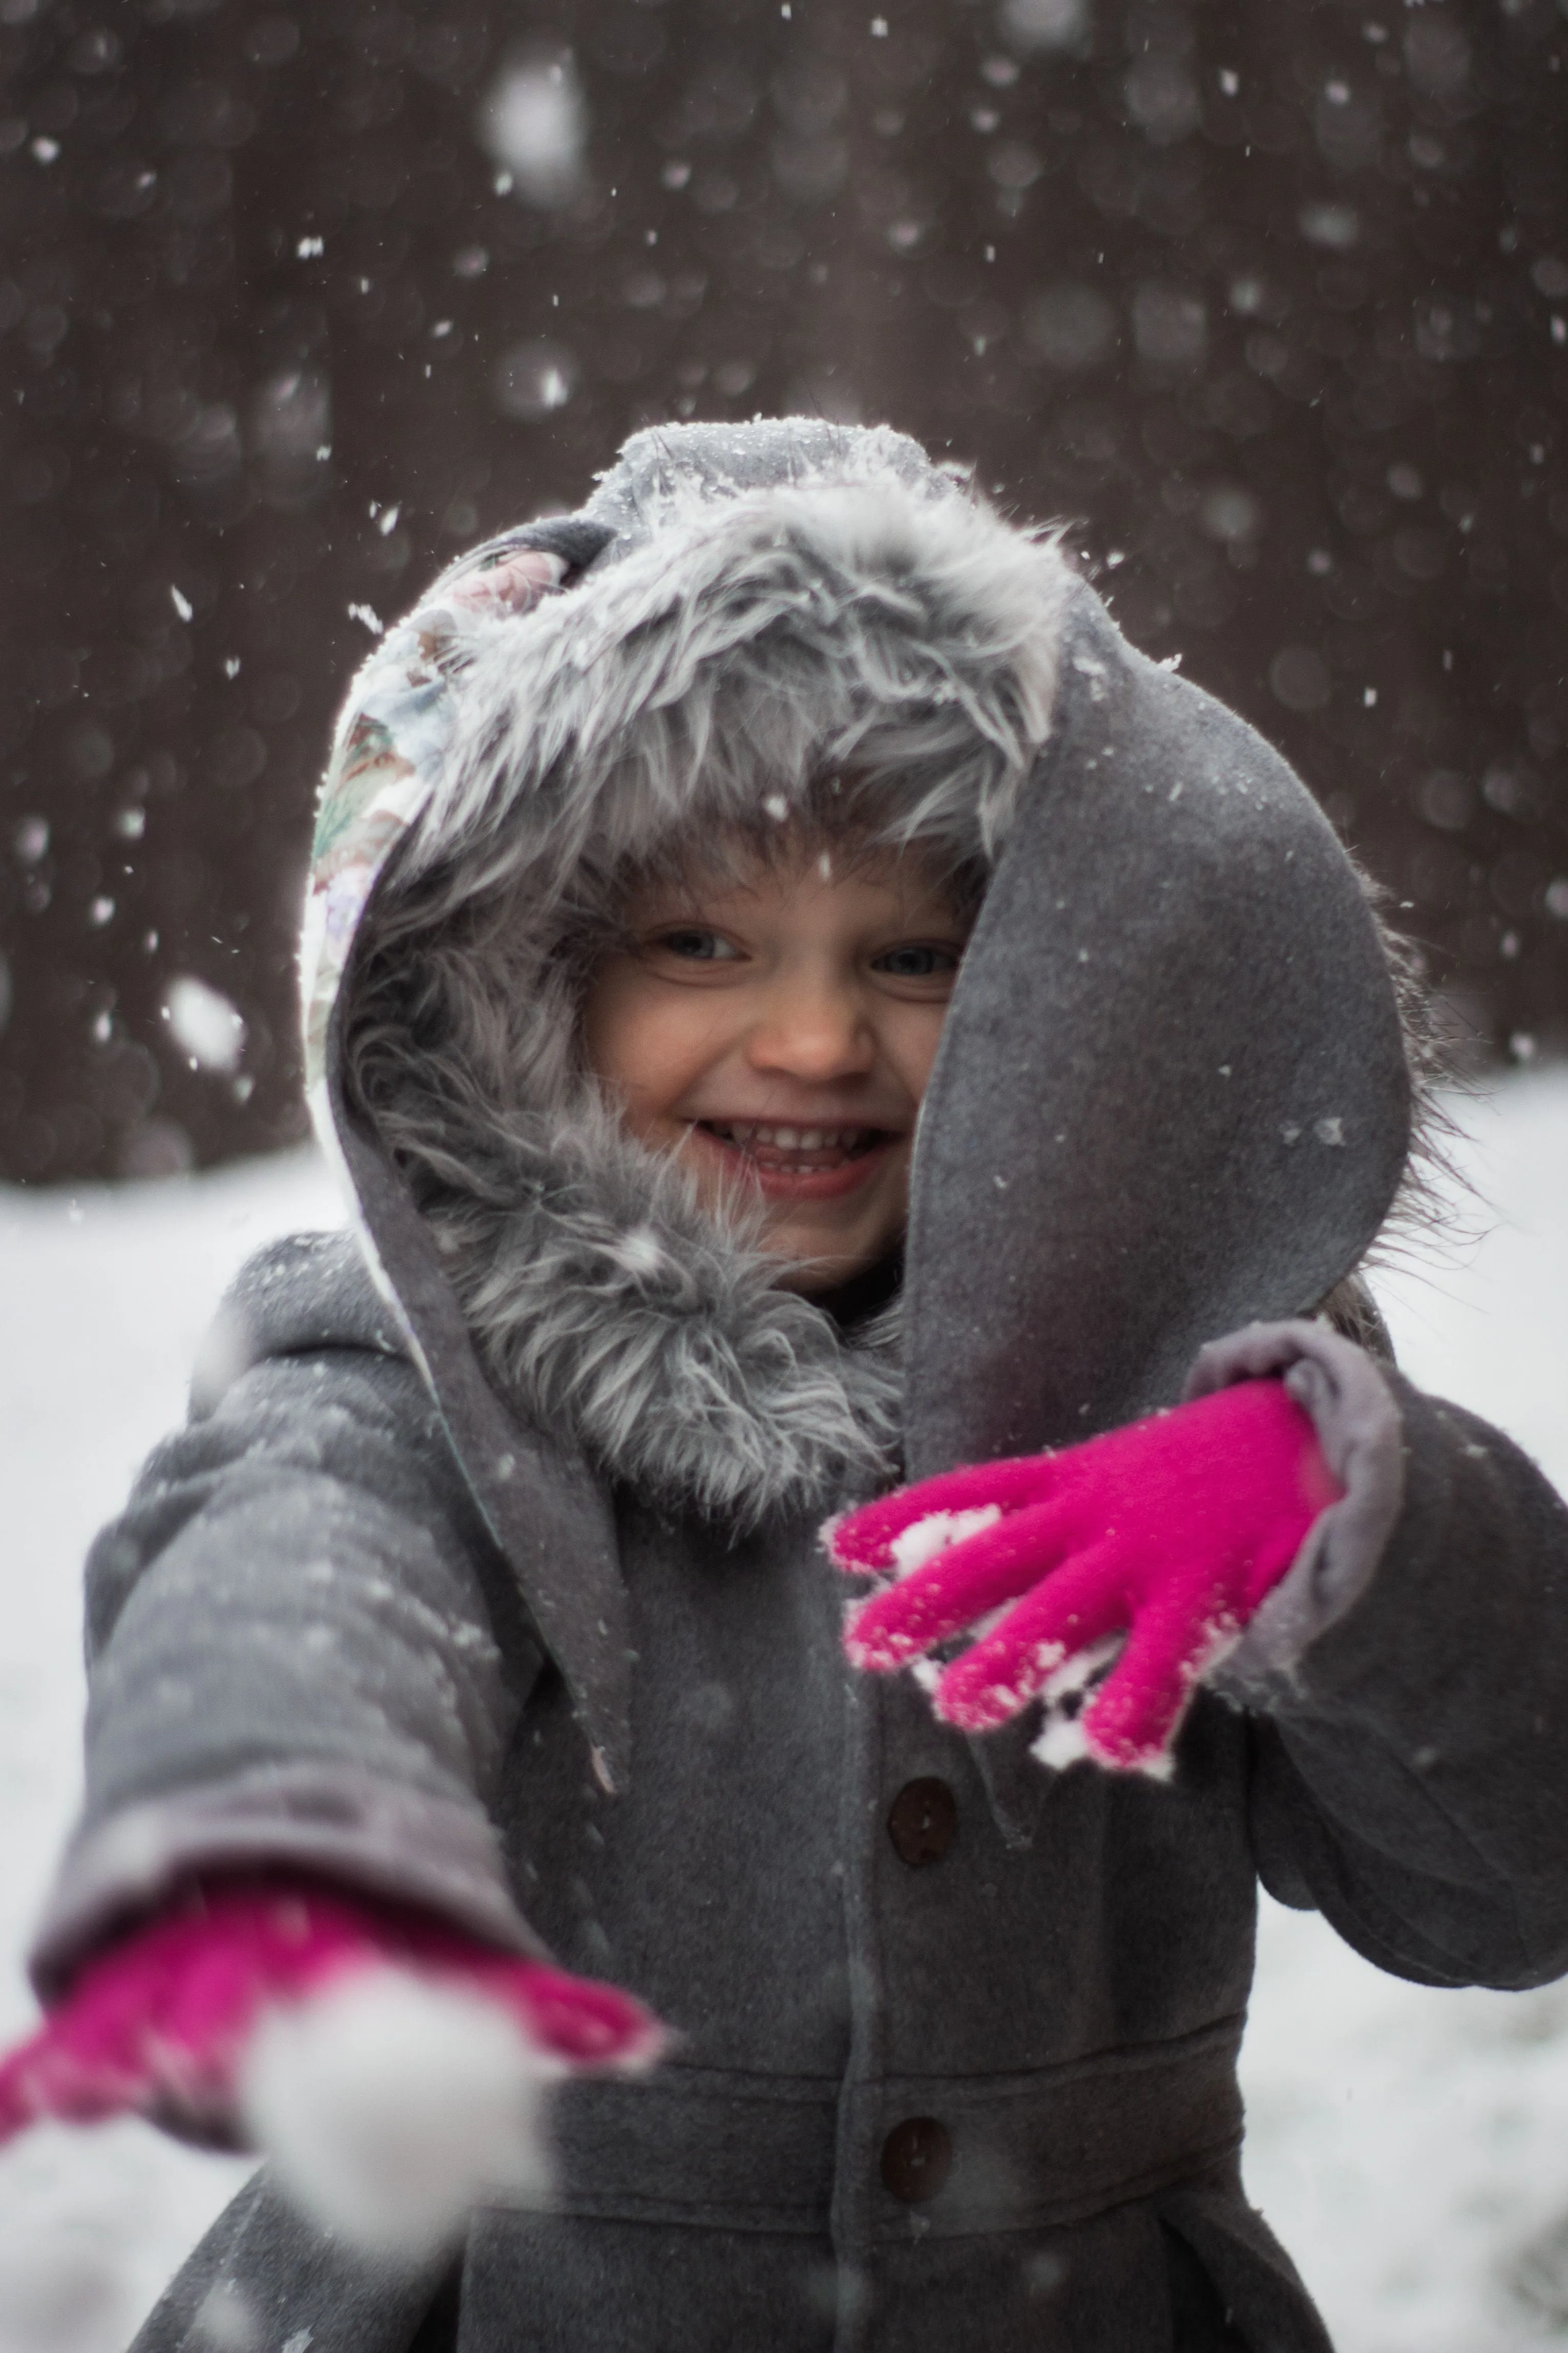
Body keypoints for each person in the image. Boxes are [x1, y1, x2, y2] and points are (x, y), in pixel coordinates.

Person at [5, 420, 1568, 2353]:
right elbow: (293, 1578)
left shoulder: (1189, 1388)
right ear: (525, 980)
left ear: (1061, 999)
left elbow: (1504, 1892)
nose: (816, 1035)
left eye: (913, 953)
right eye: (700, 940)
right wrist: (274, 1814)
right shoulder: (425, 1381)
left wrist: (1364, 1529)